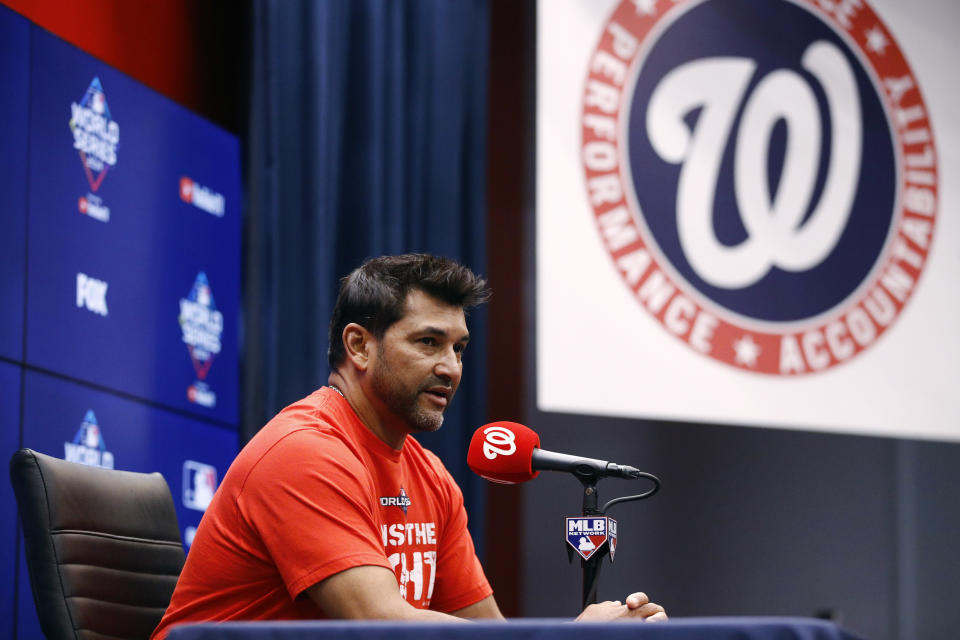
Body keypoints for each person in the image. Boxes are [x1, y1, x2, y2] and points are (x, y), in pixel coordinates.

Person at [151, 254, 665, 639]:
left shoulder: (431, 477)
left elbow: (488, 632)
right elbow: (380, 624)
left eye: (459, 348)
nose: (451, 368)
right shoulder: (305, 451)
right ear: (359, 346)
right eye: (428, 343)